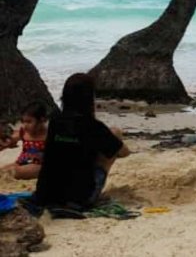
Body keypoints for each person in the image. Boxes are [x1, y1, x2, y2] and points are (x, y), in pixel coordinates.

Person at [33, 73, 130, 210]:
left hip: (46, 196)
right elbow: (123, 152)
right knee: (114, 134)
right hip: (79, 199)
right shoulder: (92, 126)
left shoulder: (55, 122)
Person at [0, 101, 49, 180]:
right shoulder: (23, 132)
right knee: (3, 170)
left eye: (29, 122)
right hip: (21, 163)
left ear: (42, 120)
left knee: (14, 171)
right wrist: (5, 144)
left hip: (38, 165)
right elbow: (8, 142)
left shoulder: (49, 134)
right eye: (23, 121)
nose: (25, 126)